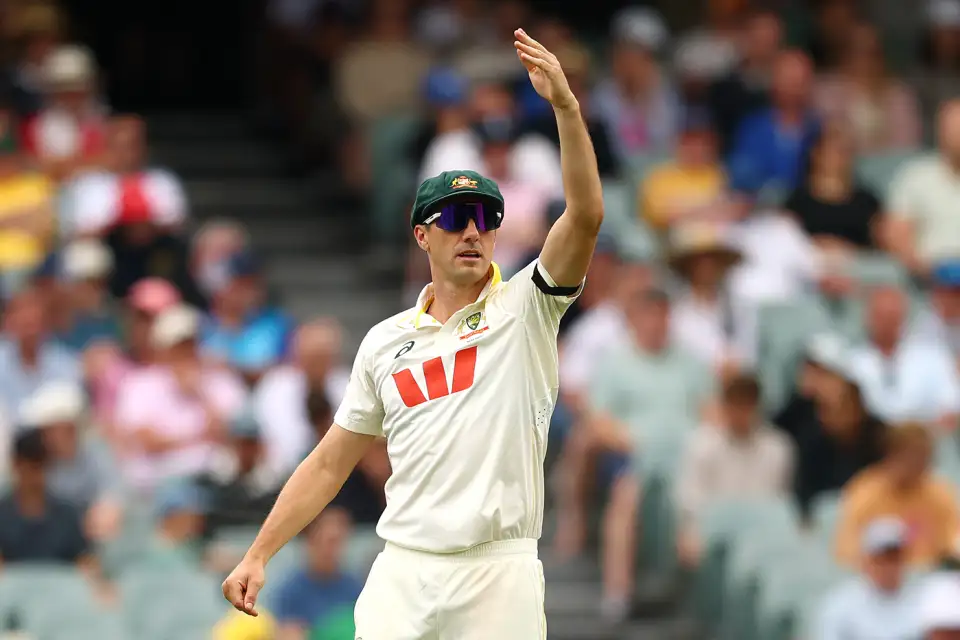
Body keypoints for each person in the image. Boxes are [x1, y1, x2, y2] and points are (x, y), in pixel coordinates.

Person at [223, 30, 603, 639]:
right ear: (423, 236)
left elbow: (584, 216)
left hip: (497, 571)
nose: (473, 231)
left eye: (485, 218)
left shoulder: (528, 307)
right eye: (455, 219)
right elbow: (328, 464)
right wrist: (259, 553)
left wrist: (565, 107)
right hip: (404, 568)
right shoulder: (384, 342)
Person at [675, 373, 795, 567]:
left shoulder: (778, 448)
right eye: (735, 403)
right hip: (710, 529)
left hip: (759, 531)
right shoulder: (701, 443)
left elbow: (777, 504)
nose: (741, 411)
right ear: (724, 405)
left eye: (747, 404)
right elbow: (689, 500)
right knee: (690, 541)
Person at [835, 424, 960, 568]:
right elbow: (848, 550)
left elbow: (953, 538)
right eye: (914, 457)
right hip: (881, 580)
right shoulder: (864, 493)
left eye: (925, 457)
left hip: (931, 577)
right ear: (892, 455)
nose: (921, 465)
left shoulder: (938, 490)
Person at [848, 285, 960, 427]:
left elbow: (951, 406)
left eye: (892, 316)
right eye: (881, 316)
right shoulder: (852, 362)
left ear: (904, 317)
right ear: (867, 317)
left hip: (923, 439)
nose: (887, 323)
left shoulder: (933, 357)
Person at [814, 23, 921, 155]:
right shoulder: (826, 92)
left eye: (871, 52)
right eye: (857, 51)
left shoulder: (899, 96)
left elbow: (907, 144)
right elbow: (829, 139)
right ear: (844, 53)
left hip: (890, 168)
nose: (864, 59)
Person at [885, 100, 960, 276]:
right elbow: (896, 233)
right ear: (940, 131)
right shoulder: (915, 175)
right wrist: (920, 267)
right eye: (954, 127)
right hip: (930, 281)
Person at [818, 517, 925, 639]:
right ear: (865, 561)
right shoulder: (840, 604)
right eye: (881, 560)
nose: (888, 567)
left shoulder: (925, 600)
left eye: (894, 559)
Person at [0, 429, 92, 567]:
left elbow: (84, 561)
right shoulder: (3, 515)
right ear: (16, 465)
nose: (36, 477)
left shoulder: (67, 515)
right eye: (30, 468)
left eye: (43, 467)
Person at [785, 123, 881, 250]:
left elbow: (881, 246)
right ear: (816, 153)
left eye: (846, 150)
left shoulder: (867, 203)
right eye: (834, 150)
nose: (840, 157)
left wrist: (848, 251)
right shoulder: (796, 202)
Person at [269, 508, 363, 640]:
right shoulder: (290, 590)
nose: (330, 550)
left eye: (337, 542)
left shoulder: (355, 587)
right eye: (326, 541)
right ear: (309, 541)